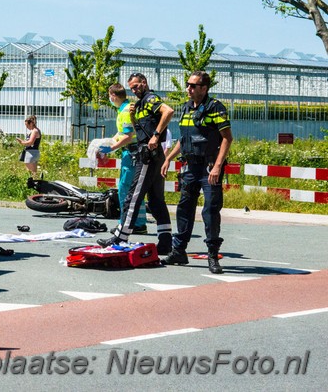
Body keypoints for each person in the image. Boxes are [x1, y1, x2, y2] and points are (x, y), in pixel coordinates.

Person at [160, 71, 233, 274]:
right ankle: (179, 251)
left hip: (209, 166)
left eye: (193, 85)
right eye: (188, 85)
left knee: (210, 211)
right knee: (184, 208)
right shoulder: (185, 108)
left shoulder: (215, 108)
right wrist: (168, 158)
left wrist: (218, 166)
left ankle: (212, 255)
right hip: (190, 166)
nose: (189, 89)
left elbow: (227, 138)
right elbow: (184, 140)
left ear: (204, 88)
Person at [98, 72, 174, 254]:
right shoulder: (139, 104)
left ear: (144, 83)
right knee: (156, 201)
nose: (134, 89)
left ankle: (120, 236)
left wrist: (156, 135)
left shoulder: (150, 99)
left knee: (132, 197)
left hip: (147, 155)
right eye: (131, 87)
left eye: (137, 85)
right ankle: (165, 241)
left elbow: (168, 111)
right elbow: (139, 130)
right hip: (153, 155)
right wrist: (133, 117)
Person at [97, 83, 147, 235]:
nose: (109, 99)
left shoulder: (125, 111)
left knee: (126, 188)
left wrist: (111, 148)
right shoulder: (124, 109)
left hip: (131, 154)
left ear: (113, 95)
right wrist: (108, 142)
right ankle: (138, 222)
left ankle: (128, 223)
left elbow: (128, 136)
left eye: (109, 96)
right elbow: (121, 133)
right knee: (135, 190)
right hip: (132, 153)